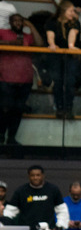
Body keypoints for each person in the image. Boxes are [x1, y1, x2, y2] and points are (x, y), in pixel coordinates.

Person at [0, 14, 42, 145]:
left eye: (20, 21)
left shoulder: (27, 36)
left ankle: (11, 138)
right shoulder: (3, 32)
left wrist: (31, 26)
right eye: (15, 21)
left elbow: (40, 44)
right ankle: (1, 136)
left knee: (18, 110)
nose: (18, 23)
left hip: (25, 79)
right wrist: (10, 43)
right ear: (10, 22)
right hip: (5, 78)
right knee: (5, 108)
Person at [2, 165, 69, 230]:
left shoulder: (53, 190)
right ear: (28, 176)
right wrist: (4, 224)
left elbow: (62, 210)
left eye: (38, 175)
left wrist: (60, 226)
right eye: (32, 175)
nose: (35, 178)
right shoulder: (21, 191)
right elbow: (10, 211)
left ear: (43, 176)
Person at [44, 0, 81, 119]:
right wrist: (52, 44)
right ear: (63, 10)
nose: (73, 13)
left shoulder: (74, 22)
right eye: (70, 11)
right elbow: (50, 35)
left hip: (70, 56)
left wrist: (71, 45)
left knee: (70, 82)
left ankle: (69, 108)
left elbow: (72, 33)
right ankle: (59, 107)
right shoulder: (52, 21)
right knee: (58, 81)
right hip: (56, 55)